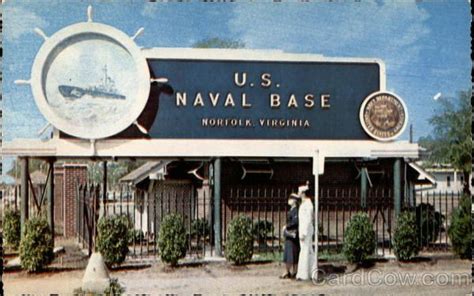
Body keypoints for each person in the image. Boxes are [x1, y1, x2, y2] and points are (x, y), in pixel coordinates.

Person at [296, 182, 315, 281]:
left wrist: (303, 232)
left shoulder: (307, 204)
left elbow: (307, 220)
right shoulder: (305, 204)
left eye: (299, 192)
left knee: (305, 251)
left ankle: (304, 274)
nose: (298, 194)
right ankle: (311, 272)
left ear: (303, 193)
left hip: (305, 232)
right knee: (307, 251)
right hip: (305, 231)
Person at [280, 193, 300, 279]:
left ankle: (291, 271)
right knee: (289, 254)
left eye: (291, 198)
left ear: (294, 201)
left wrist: (286, 226)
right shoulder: (292, 210)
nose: (289, 200)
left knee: (292, 254)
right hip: (289, 236)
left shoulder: (295, 210)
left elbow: (295, 222)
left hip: (292, 236)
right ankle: (289, 271)